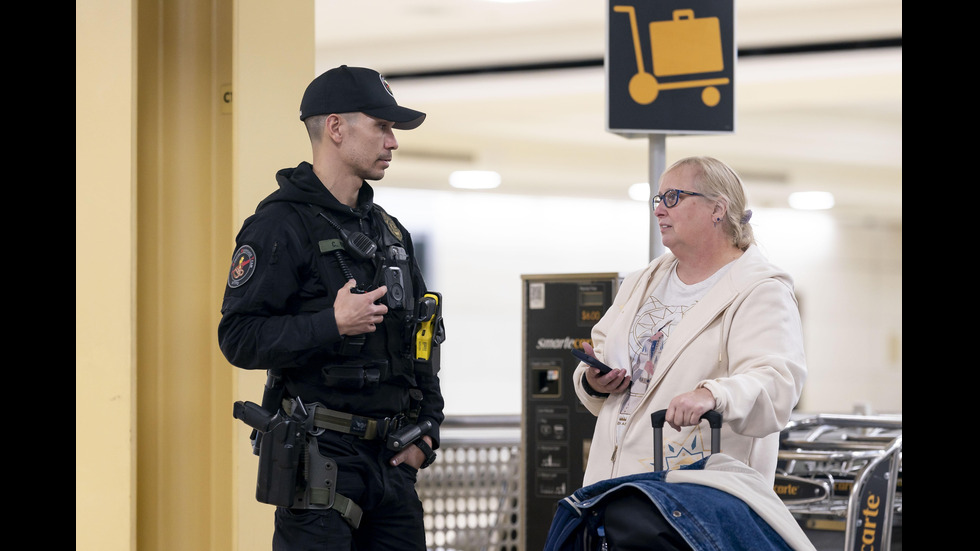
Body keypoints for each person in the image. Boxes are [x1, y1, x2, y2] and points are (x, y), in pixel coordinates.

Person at [219, 65, 445, 551]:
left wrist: (428, 435)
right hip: (318, 465)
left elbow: (423, 342)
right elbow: (238, 337)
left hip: (392, 464)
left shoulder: (391, 233)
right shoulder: (279, 226)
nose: (393, 142)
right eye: (382, 126)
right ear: (336, 128)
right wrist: (331, 323)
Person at [573, 156, 806, 489]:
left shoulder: (760, 290)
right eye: (658, 199)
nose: (659, 210)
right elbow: (602, 351)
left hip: (698, 502)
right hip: (614, 491)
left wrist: (713, 395)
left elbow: (777, 383)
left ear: (717, 209)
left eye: (674, 197)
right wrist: (596, 379)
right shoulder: (644, 281)